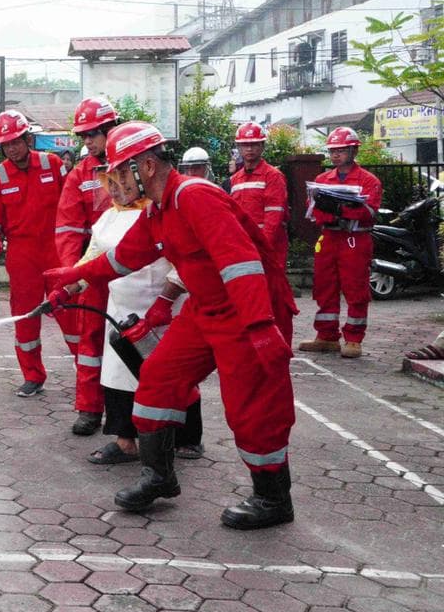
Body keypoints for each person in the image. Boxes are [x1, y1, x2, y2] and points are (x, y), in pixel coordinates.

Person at [44, 121, 296, 531]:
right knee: (157, 378)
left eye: (120, 172)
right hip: (207, 309)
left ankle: (272, 498)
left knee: (253, 408)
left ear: (144, 167)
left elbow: (241, 262)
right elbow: (123, 259)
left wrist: (261, 325)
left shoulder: (193, 196)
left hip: (247, 312)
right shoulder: (159, 211)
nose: (115, 184)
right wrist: (72, 280)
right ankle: (159, 477)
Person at [80, 163, 204, 466]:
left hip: (160, 308)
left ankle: (186, 436)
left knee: (173, 375)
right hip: (120, 308)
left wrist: (167, 298)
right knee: (117, 374)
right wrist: (68, 285)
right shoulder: (107, 219)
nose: (116, 189)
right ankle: (125, 441)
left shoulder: (163, 213)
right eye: (110, 183)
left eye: (121, 181)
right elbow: (93, 259)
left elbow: (188, 262)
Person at [0, 111, 67, 397]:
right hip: (22, 256)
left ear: (28, 139)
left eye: (16, 141)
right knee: (26, 319)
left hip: (56, 252)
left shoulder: (53, 165)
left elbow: (73, 209)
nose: (12, 148)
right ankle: (33, 376)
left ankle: (88, 370)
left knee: (73, 315)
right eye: (7, 144)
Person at [54, 97, 118, 429]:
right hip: (96, 269)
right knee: (90, 337)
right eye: (83, 136)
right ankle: (90, 408)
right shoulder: (81, 174)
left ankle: (151, 416)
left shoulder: (134, 162)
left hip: (136, 270)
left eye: (92, 133)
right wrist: (71, 271)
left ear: (110, 129)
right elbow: (67, 227)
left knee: (139, 340)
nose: (87, 141)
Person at [302, 127, 382, 358]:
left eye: (341, 150)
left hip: (354, 238)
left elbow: (369, 212)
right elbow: (315, 213)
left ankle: (354, 338)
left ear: (353, 150)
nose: (336, 155)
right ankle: (326, 336)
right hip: (329, 237)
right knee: (324, 287)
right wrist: (334, 213)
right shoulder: (322, 180)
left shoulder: (368, 180)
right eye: (333, 151)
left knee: (355, 287)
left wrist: (341, 210)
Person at [230, 122, 295, 343]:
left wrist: (262, 247)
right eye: (245, 145)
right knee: (250, 294)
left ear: (262, 146)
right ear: (239, 148)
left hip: (270, 249)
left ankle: (279, 340)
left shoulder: (272, 176)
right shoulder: (236, 179)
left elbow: (273, 216)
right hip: (246, 249)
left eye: (254, 145)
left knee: (274, 296)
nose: (249, 150)